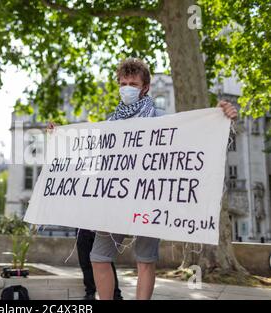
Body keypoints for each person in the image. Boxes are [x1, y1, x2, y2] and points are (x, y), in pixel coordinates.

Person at [48, 58, 238, 300]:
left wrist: (222, 117)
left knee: (145, 261)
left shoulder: (161, 118)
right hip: (115, 200)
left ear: (145, 87)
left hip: (148, 200)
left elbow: (193, 141)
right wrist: (61, 138)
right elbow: (90, 150)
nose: (127, 87)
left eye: (133, 83)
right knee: (98, 258)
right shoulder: (112, 121)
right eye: (123, 83)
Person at [77, 229, 122, 300]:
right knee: (85, 262)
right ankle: (90, 293)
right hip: (84, 229)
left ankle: (115, 294)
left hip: (101, 226)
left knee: (104, 261)